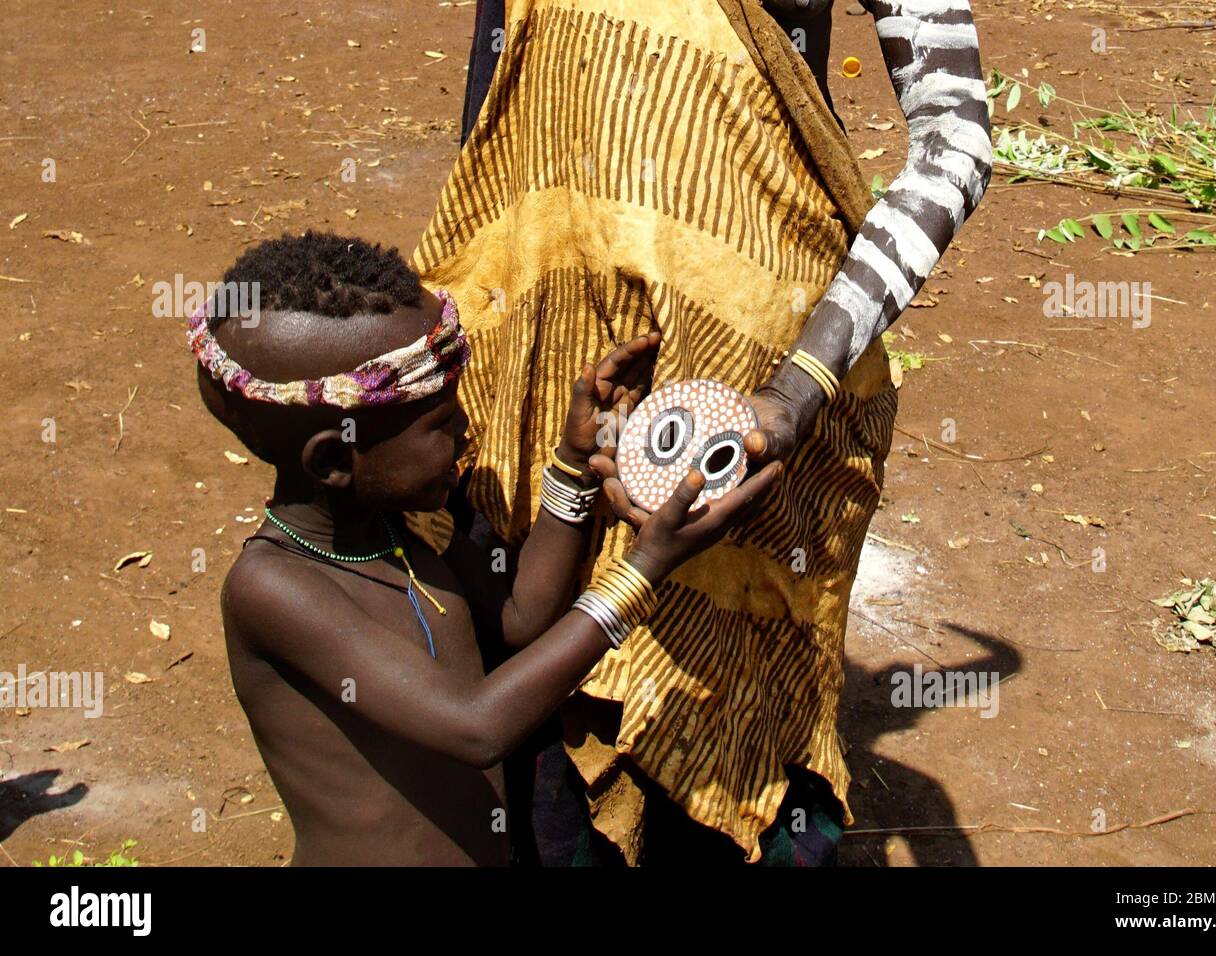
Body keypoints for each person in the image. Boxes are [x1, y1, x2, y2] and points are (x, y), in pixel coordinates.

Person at [416, 0, 993, 863]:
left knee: (730, 689)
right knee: (539, 675)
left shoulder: (781, 396)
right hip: (553, 337)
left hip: (753, 372)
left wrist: (801, 388)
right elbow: (500, 104)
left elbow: (958, 145)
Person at [191, 231, 781, 865]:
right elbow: (477, 727)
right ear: (336, 458)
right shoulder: (274, 589)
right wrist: (643, 571)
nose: (466, 427)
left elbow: (522, 620)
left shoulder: (404, 532)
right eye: (441, 423)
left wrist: (577, 462)